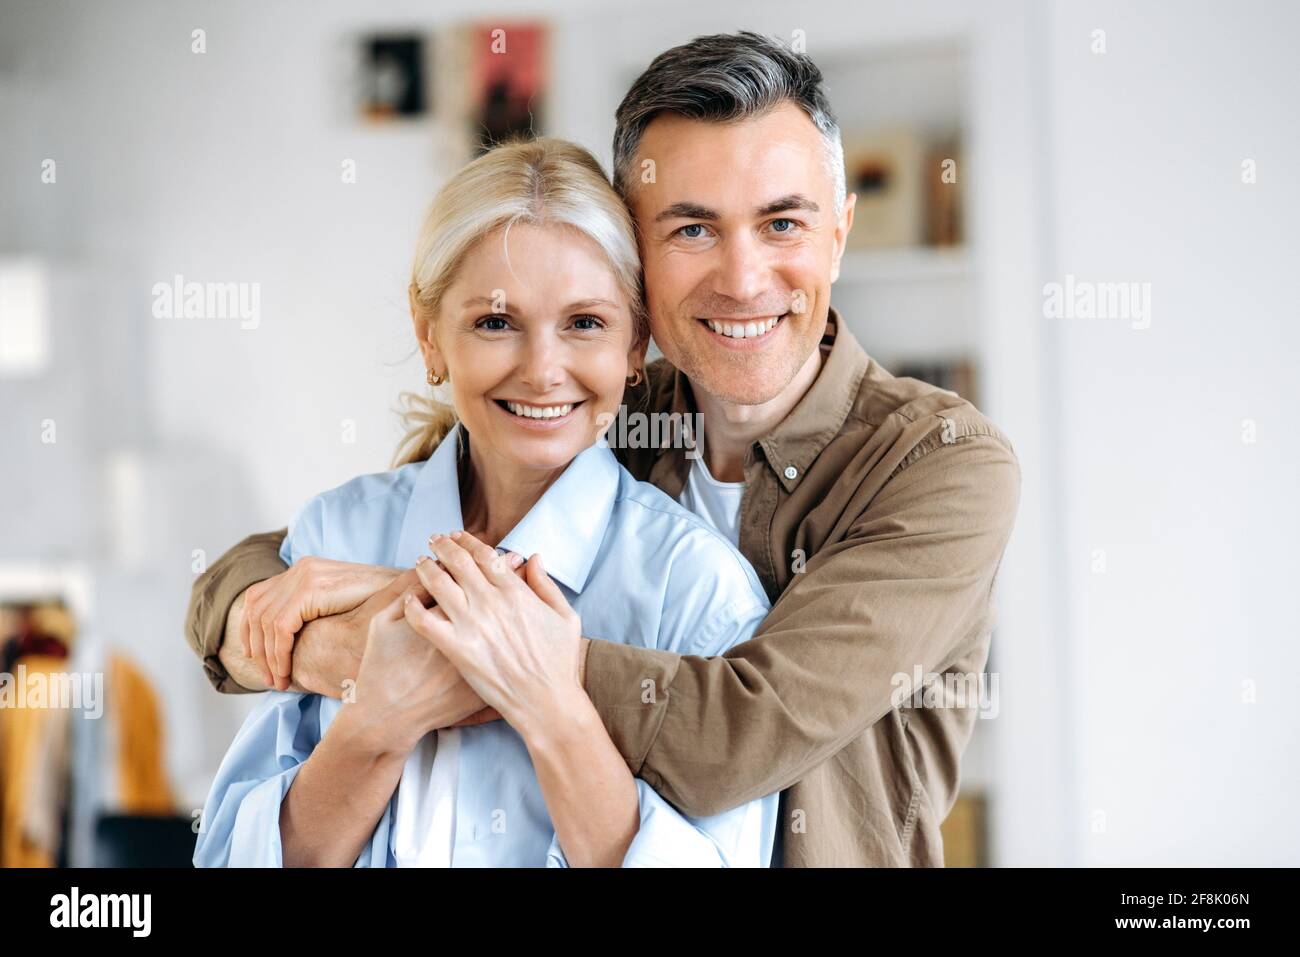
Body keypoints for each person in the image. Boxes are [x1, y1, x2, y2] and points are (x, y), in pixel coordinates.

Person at [187, 32, 1020, 867]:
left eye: (782, 223)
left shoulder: (942, 463)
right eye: (692, 229)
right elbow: (302, 556)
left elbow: (740, 729)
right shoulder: (596, 410)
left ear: (839, 233)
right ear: (641, 264)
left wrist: (445, 632)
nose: (741, 274)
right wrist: (304, 625)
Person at [192, 138, 778, 867]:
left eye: (585, 323)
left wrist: (551, 708)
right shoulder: (335, 532)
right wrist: (376, 720)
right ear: (428, 332)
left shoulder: (699, 595)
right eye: (495, 323)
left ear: (635, 348)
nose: (541, 371)